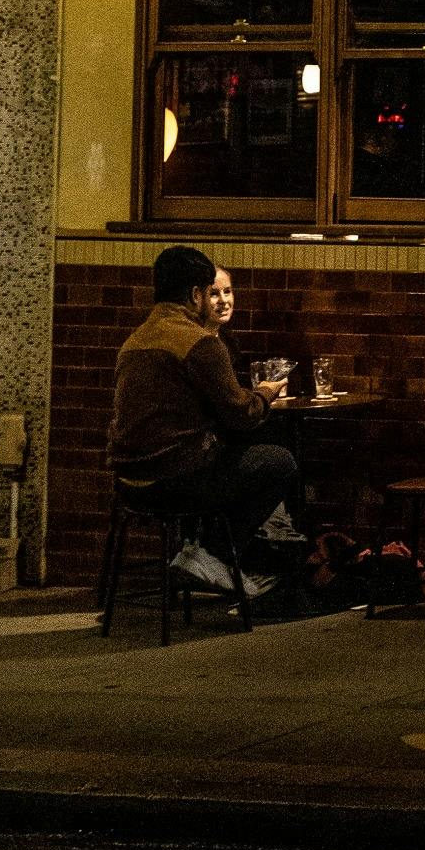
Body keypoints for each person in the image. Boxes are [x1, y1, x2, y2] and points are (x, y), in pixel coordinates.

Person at [109, 246, 295, 596]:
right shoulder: (197, 342)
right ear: (196, 293)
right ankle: (212, 556)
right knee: (279, 461)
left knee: (227, 458)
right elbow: (242, 415)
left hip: (127, 483)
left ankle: (202, 554)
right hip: (174, 480)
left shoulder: (134, 341)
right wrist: (266, 393)